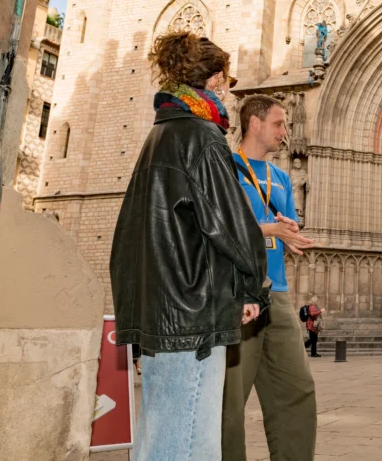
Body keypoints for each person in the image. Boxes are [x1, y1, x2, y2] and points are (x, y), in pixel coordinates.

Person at [110, 31, 268, 460]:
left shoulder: (160, 135)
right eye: (228, 81)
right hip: (192, 312)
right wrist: (254, 285)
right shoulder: (201, 135)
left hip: (158, 309)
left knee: (160, 430)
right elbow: (230, 222)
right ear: (215, 80)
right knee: (188, 437)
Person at [221, 93, 317, 461]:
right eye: (279, 123)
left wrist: (290, 234)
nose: (285, 132)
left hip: (276, 293)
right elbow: (224, 227)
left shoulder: (280, 176)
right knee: (231, 399)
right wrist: (272, 230)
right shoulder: (225, 167)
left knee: (298, 389)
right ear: (255, 123)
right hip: (237, 293)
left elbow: (281, 223)